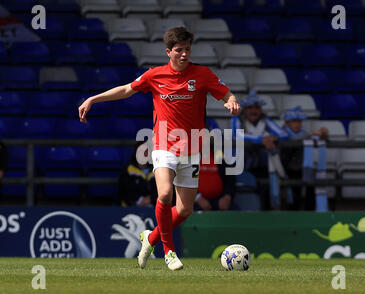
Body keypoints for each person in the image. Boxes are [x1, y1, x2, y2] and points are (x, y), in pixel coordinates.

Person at [78, 27, 240, 270]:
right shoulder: (155, 75)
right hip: (164, 145)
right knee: (164, 194)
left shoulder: (202, 74)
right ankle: (169, 251)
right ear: (168, 52)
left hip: (193, 150)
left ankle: (150, 238)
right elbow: (125, 90)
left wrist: (232, 101)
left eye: (187, 49)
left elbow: (226, 93)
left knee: (185, 210)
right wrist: (93, 99)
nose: (184, 54)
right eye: (179, 50)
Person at [231, 90, 288, 210]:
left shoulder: (265, 121)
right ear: (245, 110)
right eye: (250, 107)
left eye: (257, 107)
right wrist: (261, 140)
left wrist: (274, 138)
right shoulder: (237, 120)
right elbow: (237, 135)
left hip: (263, 166)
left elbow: (283, 134)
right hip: (242, 166)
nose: (253, 111)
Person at [281, 106, 329, 210]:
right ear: (287, 122)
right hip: (285, 169)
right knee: (293, 194)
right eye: (294, 121)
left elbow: (313, 139)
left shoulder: (303, 133)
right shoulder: (281, 132)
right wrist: (310, 135)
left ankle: (310, 211)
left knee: (311, 184)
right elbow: (293, 140)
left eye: (299, 121)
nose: (298, 124)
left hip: (301, 169)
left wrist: (323, 135)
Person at [118, 141, 157, 207]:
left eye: (146, 151)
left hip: (154, 208)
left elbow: (162, 190)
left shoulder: (157, 169)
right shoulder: (128, 169)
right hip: (131, 208)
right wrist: (139, 200)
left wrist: (151, 199)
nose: (144, 154)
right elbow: (124, 190)